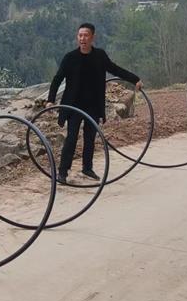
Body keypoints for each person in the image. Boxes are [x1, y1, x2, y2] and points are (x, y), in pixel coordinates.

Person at [46, 23, 142, 184]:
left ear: (92, 37)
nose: (82, 38)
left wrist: (135, 79)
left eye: (86, 35)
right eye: (80, 35)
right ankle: (62, 172)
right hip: (73, 105)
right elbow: (57, 79)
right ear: (77, 37)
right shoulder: (70, 58)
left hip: (93, 105)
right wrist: (50, 100)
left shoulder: (100, 56)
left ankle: (87, 168)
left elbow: (115, 69)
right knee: (71, 138)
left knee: (90, 137)